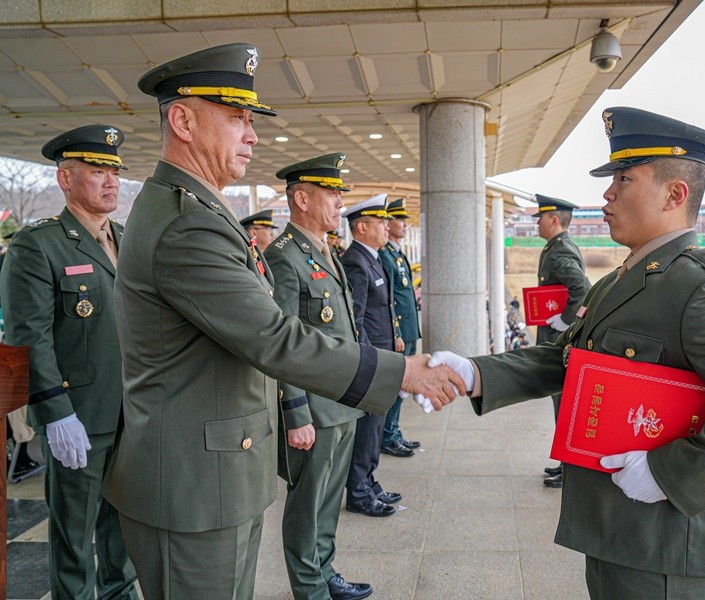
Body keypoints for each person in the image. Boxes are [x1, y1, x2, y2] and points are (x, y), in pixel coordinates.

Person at [101, 43, 462, 599]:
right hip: (193, 484)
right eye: (237, 119)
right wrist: (401, 373)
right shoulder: (186, 223)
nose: (252, 135)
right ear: (183, 120)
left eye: (251, 121)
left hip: (216, 472)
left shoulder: (200, 209)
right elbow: (274, 336)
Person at [429, 106, 705, 600]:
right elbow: (564, 362)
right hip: (615, 525)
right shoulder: (619, 281)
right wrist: (473, 372)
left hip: (662, 541)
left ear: (676, 194)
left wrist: (667, 474)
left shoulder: (704, 287)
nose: (607, 194)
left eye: (624, 179)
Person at [0, 125, 138, 599]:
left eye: (115, 172)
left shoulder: (125, 239)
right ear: (65, 178)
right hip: (79, 416)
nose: (111, 181)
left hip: (133, 414)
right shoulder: (39, 245)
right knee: (75, 543)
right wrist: (56, 413)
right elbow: (28, 338)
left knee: (123, 539)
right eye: (98, 171)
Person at [266, 153, 372, 600]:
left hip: (341, 401)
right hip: (312, 407)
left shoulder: (326, 251)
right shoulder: (285, 257)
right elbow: (281, 342)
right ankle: (308, 587)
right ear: (302, 198)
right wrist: (296, 413)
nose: (339, 204)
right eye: (331, 194)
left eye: (339, 194)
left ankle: (325, 571)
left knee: (328, 499)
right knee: (308, 503)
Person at [341, 194, 404, 517]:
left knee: (376, 427)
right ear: (362, 227)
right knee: (368, 428)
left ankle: (368, 479)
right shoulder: (355, 261)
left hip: (384, 352)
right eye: (380, 223)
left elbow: (384, 307)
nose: (386, 227)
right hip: (372, 359)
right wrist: (372, 360)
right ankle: (359, 492)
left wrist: (394, 337)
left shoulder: (374, 258)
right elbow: (356, 317)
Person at [531, 193, 591, 488]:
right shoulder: (556, 246)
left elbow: (582, 289)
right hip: (557, 337)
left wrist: (565, 320)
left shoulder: (559, 250)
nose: (537, 223)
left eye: (540, 218)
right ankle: (567, 464)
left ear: (554, 219)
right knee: (562, 404)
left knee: (565, 405)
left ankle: (571, 469)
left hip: (560, 339)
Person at [378, 198, 421, 458]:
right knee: (396, 385)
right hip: (399, 332)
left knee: (402, 386)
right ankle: (387, 435)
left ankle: (394, 431)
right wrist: (395, 333)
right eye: (399, 219)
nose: (405, 224)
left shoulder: (396, 252)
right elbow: (389, 299)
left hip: (408, 329)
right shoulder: (385, 255)